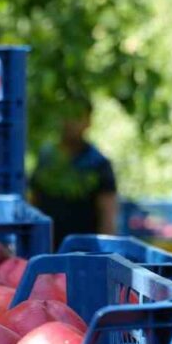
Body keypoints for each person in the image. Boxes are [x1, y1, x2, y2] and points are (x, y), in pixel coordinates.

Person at [29, 104, 118, 243]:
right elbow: (33, 203)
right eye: (67, 115)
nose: (71, 122)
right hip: (47, 247)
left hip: (84, 249)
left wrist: (104, 250)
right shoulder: (46, 158)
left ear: (88, 121)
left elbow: (107, 215)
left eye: (78, 116)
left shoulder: (99, 164)